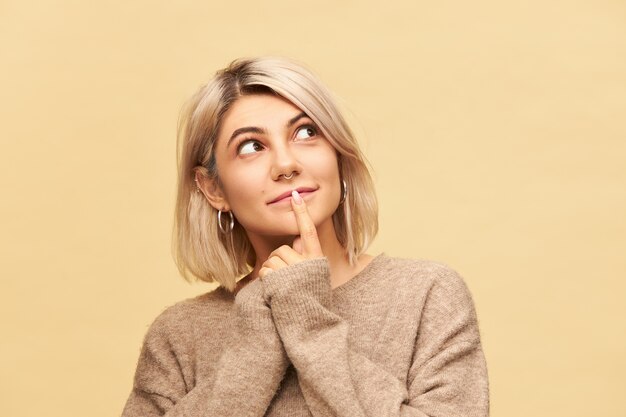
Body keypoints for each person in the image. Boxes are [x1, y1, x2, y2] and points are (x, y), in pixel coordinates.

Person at [121, 57, 489, 417]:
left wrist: (307, 316)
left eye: (306, 132)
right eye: (251, 146)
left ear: (338, 155)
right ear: (213, 188)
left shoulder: (427, 295)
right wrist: (260, 328)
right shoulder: (178, 335)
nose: (286, 165)